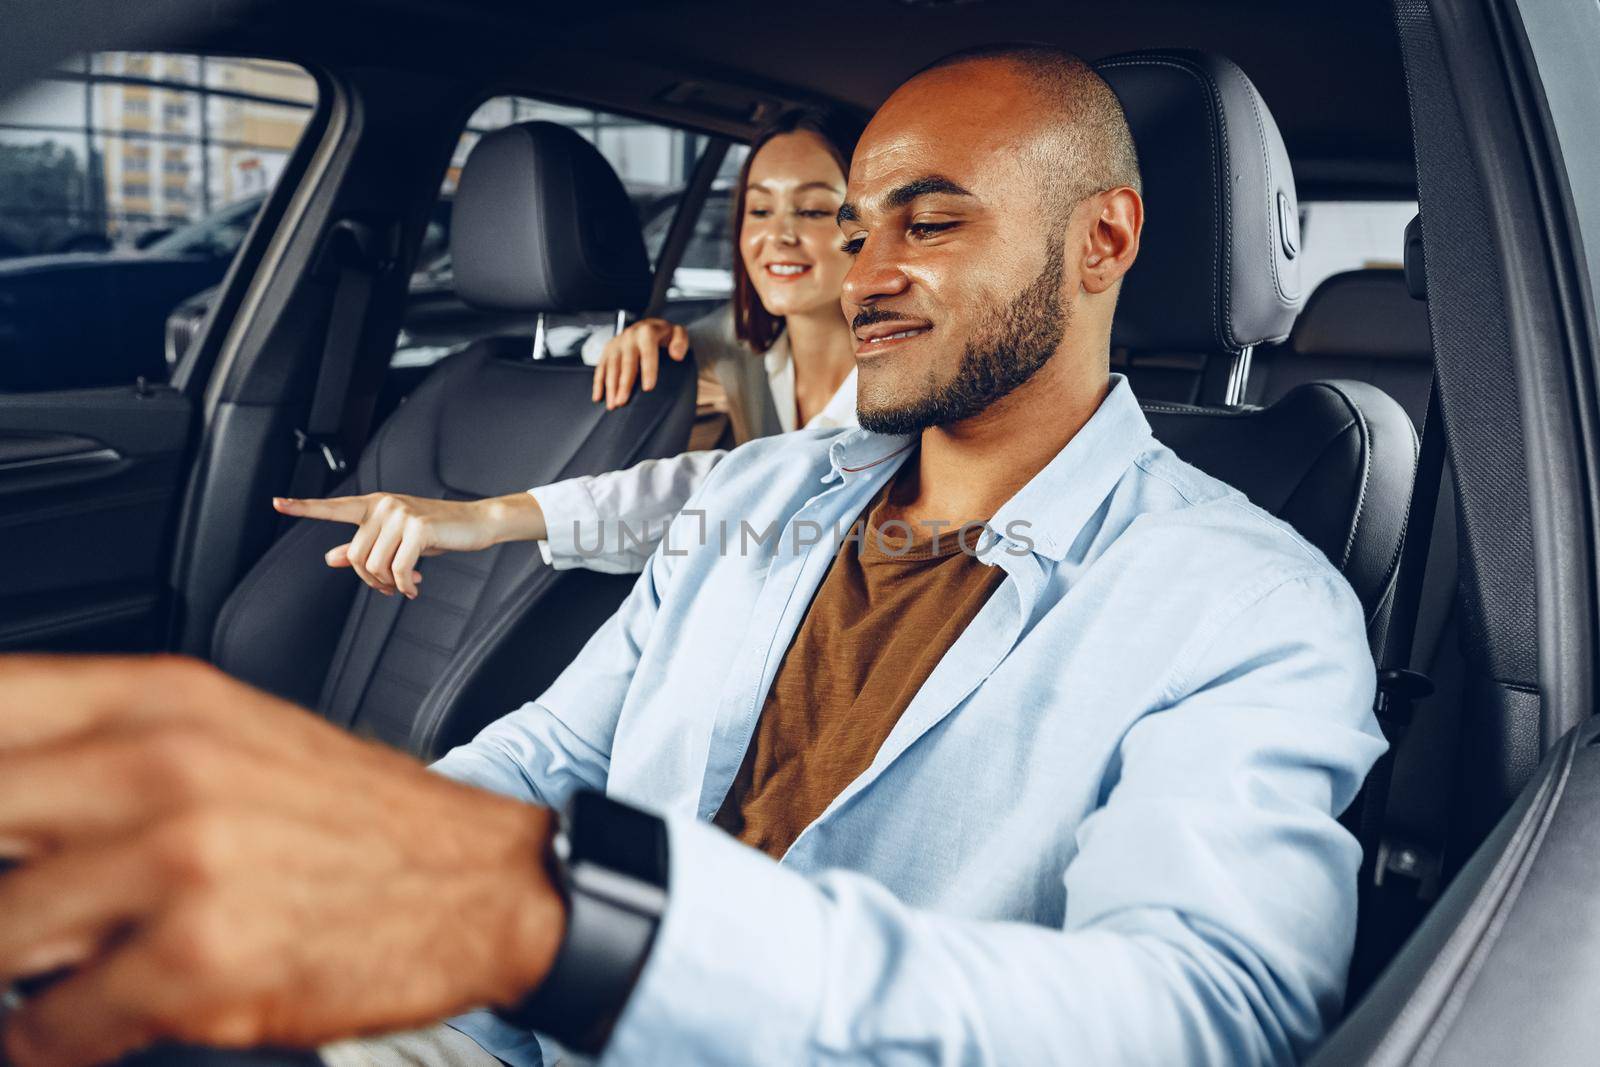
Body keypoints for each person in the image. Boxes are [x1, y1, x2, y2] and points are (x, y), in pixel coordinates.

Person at [0, 46, 1383, 1067]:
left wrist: (585, 923)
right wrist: (329, 846)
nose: (859, 272)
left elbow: (1208, 1012)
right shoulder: (761, 491)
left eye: (932, 220)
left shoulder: (1249, 603)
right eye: (859, 223)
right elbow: (549, 754)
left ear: (1104, 239)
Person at [271, 107, 862, 589]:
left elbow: (737, 487)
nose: (778, 235)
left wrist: (490, 516)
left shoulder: (909, 385)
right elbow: (582, 351)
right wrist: (636, 335)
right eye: (759, 209)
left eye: (813, 209)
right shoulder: (733, 345)